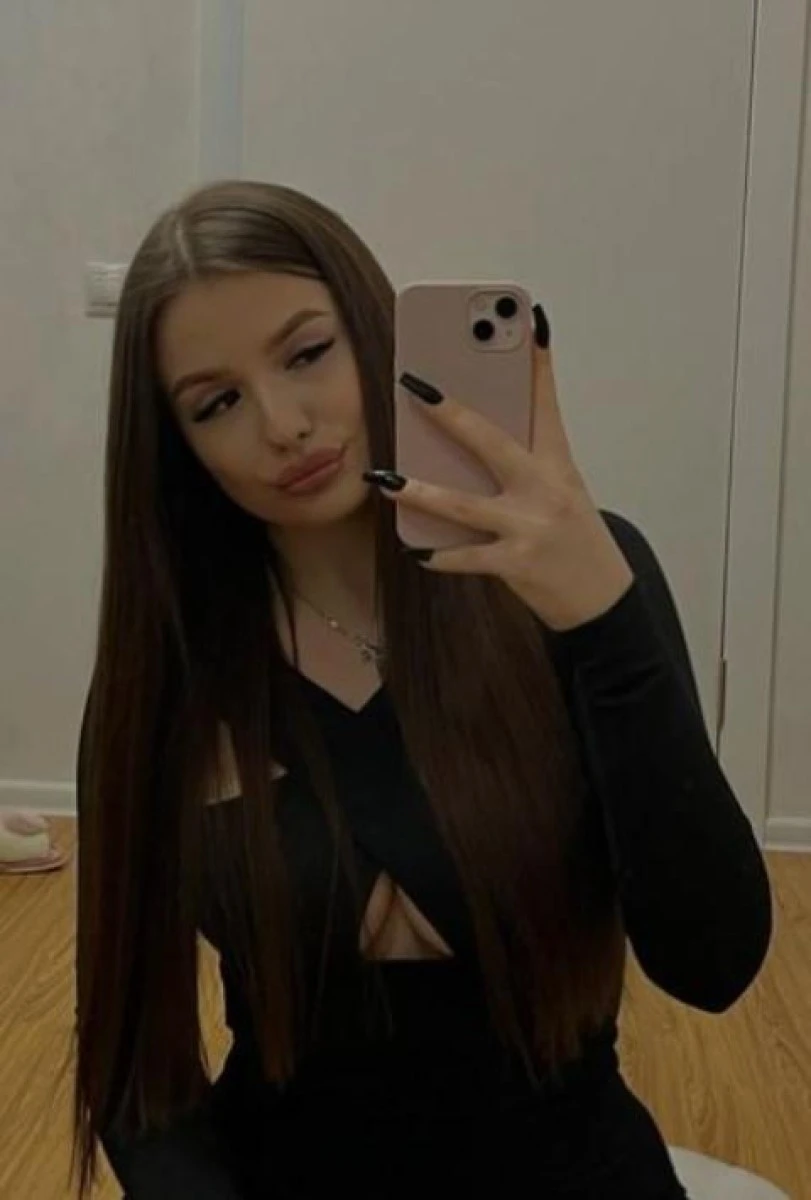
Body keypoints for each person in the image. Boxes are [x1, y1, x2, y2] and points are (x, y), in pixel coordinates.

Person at [73, 180, 772, 1200]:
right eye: (216, 403)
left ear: (373, 331)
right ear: (177, 447)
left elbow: (712, 961)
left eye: (307, 354)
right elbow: (140, 1079)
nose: (283, 425)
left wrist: (605, 619)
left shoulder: (574, 586)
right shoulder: (173, 678)